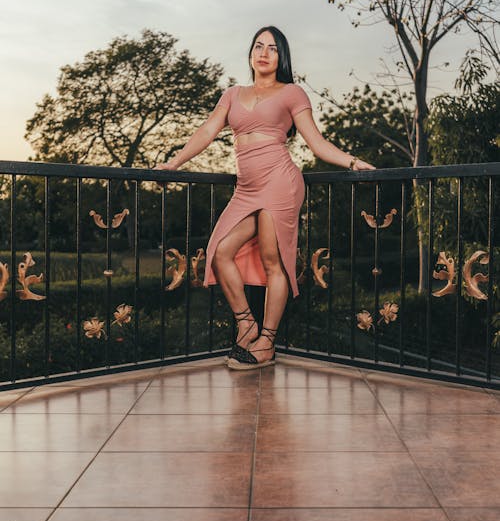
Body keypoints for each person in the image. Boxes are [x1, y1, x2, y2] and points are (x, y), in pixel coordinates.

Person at [155, 26, 375, 370]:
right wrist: (175, 162)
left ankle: (267, 342)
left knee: (274, 260)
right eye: (259, 46)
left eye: (272, 48)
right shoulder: (232, 94)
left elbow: (315, 141)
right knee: (220, 251)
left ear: (281, 57)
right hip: (247, 188)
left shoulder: (292, 93)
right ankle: (246, 325)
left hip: (280, 182)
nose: (264, 52)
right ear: (251, 54)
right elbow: (208, 131)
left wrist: (350, 161)